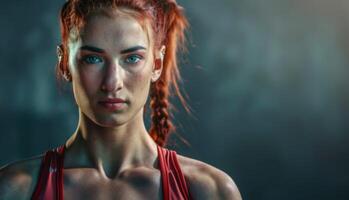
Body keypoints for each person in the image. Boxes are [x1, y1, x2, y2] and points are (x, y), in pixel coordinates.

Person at [0, 0, 242, 199]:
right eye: (93, 59)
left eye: (132, 58)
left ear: (156, 64)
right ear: (65, 63)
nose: (112, 82)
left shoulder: (209, 191)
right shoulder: (15, 189)